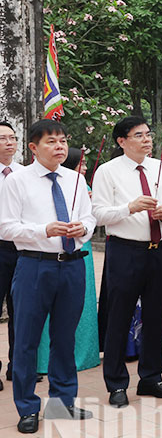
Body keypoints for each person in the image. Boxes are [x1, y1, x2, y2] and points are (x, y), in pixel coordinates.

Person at [0, 120, 95, 433]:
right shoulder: (17, 181)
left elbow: (89, 217)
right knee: (27, 339)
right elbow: (5, 227)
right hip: (33, 266)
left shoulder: (75, 180)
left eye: (63, 141)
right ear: (33, 147)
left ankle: (62, 402)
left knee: (64, 338)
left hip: (71, 265)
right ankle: (27, 407)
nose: (60, 147)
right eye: (51, 142)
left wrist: (83, 229)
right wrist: (44, 230)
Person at [92, 116, 162, 408]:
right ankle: (116, 383)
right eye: (138, 135)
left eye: (148, 134)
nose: (147, 139)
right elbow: (99, 214)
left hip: (159, 249)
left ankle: (151, 377)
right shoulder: (108, 171)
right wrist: (130, 208)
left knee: (156, 315)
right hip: (125, 250)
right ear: (121, 141)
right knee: (120, 315)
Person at [36, 148, 101, 375]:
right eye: (81, 163)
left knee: (81, 303)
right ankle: (44, 362)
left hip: (80, 246)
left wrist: (85, 221)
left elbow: (91, 218)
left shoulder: (81, 184)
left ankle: (83, 355)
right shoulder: (33, 182)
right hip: (46, 252)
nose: (84, 168)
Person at [0, 120, 24, 389]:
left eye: (13, 138)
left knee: (22, 310)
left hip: (22, 249)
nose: (9, 142)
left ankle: (17, 366)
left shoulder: (24, 174)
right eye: (3, 138)